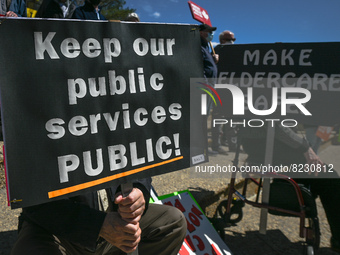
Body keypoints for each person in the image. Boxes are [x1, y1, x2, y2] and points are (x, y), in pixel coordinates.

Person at [239, 123, 340, 253]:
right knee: (329, 177)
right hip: (269, 144)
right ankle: (337, 238)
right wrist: (306, 147)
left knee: (323, 175)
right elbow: (276, 126)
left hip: (260, 143)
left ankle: (301, 197)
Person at [199, 24, 227, 155]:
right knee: (201, 118)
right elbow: (199, 67)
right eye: (209, 31)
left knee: (204, 118)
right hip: (205, 88)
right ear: (201, 33)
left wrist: (213, 58)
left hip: (210, 87)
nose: (211, 34)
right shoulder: (198, 46)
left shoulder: (206, 47)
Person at [214, 30, 238, 152]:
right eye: (229, 40)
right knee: (218, 117)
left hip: (233, 89)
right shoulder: (216, 51)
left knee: (231, 118)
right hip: (219, 89)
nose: (231, 42)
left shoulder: (236, 53)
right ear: (222, 40)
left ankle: (231, 145)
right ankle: (216, 144)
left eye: (233, 40)